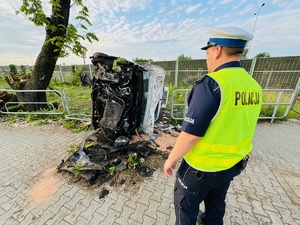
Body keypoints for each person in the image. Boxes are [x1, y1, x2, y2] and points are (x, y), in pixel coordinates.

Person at [164, 26, 262, 225]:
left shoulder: (211, 84)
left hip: (201, 168)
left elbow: (191, 134)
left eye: (207, 52)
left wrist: (171, 159)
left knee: (185, 207)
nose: (207, 57)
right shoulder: (253, 85)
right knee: (216, 205)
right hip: (231, 165)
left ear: (217, 50)